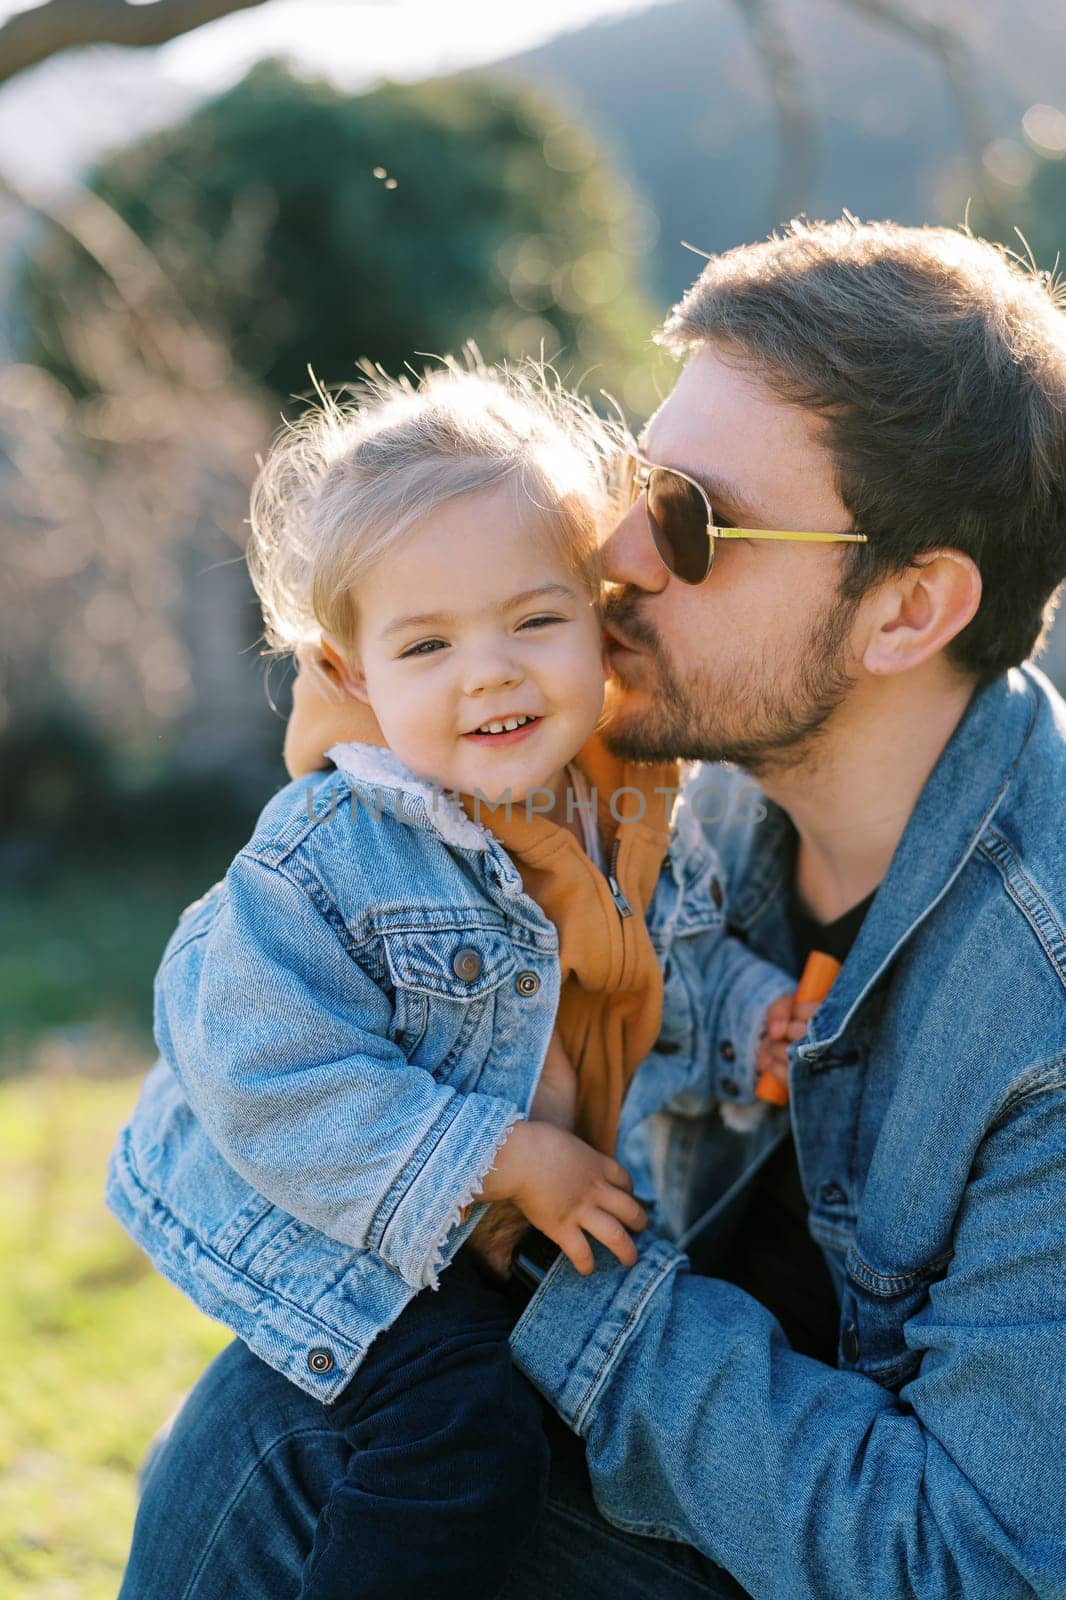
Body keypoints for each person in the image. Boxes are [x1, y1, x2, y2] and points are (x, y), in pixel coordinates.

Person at [116, 216, 1066, 1600]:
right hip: (682, 1460)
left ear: (905, 611)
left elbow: (974, 1562)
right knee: (302, 1410)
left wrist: (571, 1291)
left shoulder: (1040, 1001)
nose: (612, 547)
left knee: (290, 1444)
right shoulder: (674, 783)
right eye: (635, 479)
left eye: (691, 518)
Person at [107, 360, 804, 1599]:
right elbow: (258, 1067)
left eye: (533, 620)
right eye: (428, 643)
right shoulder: (333, 851)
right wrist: (504, 1159)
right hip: (320, 1219)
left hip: (468, 1237)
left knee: (548, 1427)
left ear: (598, 616)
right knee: (456, 1433)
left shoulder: (616, 804)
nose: (490, 672)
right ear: (354, 672)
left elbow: (656, 966)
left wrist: (753, 1019)